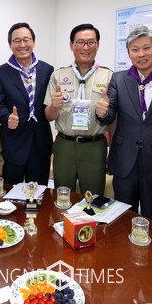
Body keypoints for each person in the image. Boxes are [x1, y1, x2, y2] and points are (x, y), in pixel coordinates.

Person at [96, 26, 152, 223]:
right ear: (129, 53)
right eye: (135, 49)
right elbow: (109, 114)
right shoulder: (119, 79)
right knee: (122, 219)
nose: (141, 54)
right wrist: (102, 112)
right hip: (125, 162)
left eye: (146, 48)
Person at [44, 23, 113, 195]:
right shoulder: (58, 75)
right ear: (71, 45)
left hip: (94, 146)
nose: (85, 47)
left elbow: (114, 118)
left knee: (92, 198)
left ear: (97, 45)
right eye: (80, 42)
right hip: (64, 145)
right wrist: (54, 107)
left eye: (91, 42)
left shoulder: (109, 76)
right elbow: (49, 116)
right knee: (62, 196)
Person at [0, 22, 54, 185]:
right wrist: (7, 118)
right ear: (10, 44)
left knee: (39, 192)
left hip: (41, 143)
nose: (22, 44)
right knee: (12, 192)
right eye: (17, 41)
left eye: (26, 40)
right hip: (14, 144)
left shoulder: (48, 70)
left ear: (33, 42)